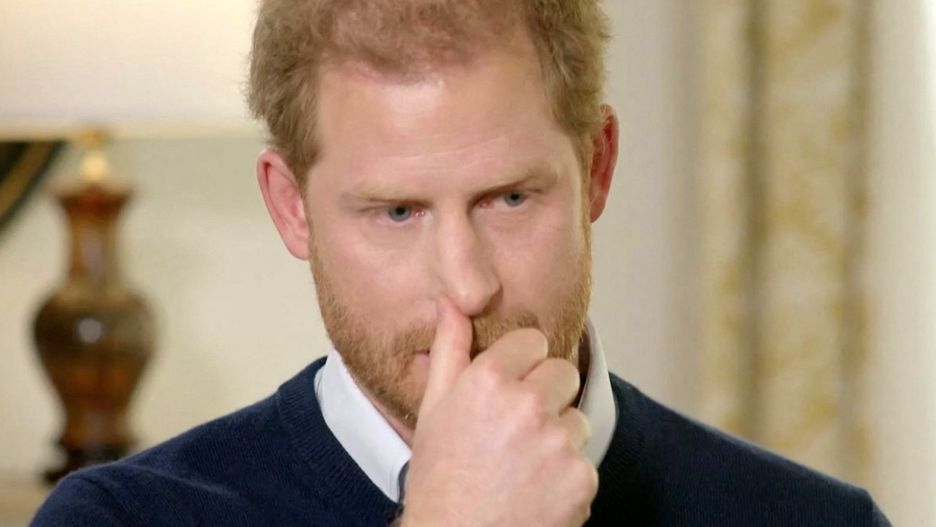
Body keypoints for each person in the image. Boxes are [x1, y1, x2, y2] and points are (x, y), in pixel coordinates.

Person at [34, 1, 890, 525]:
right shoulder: (121, 519)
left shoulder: (818, 522)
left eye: (510, 198)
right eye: (397, 212)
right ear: (291, 206)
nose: (468, 285)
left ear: (596, 166)